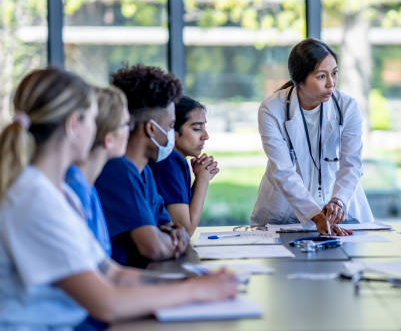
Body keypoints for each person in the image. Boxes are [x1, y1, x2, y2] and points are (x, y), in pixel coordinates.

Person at [0, 68, 238, 329]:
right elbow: (106, 302)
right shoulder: (35, 200)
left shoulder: (59, 194)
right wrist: (195, 292)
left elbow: (112, 273)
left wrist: (194, 284)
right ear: (73, 125)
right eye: (93, 119)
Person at [250, 38, 374, 236]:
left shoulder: (347, 107)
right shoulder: (272, 109)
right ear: (300, 79)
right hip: (284, 213)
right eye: (321, 76)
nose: (331, 83)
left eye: (334, 73)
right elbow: (282, 170)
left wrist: (338, 201)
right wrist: (314, 215)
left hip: (341, 211)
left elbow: (351, 163)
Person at [95, 64, 189, 267]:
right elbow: (153, 247)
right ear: (151, 129)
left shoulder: (144, 171)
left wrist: (174, 235)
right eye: (171, 126)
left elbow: (173, 228)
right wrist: (171, 241)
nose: (172, 134)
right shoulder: (118, 170)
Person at [64, 86, 130, 257]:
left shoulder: (87, 185)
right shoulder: (73, 190)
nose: (130, 130)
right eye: (126, 124)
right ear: (108, 139)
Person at [151, 95, 218, 236]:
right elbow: (185, 231)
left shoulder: (175, 160)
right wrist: (203, 179)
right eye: (196, 128)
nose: (205, 136)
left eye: (204, 127)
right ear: (172, 130)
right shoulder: (169, 161)